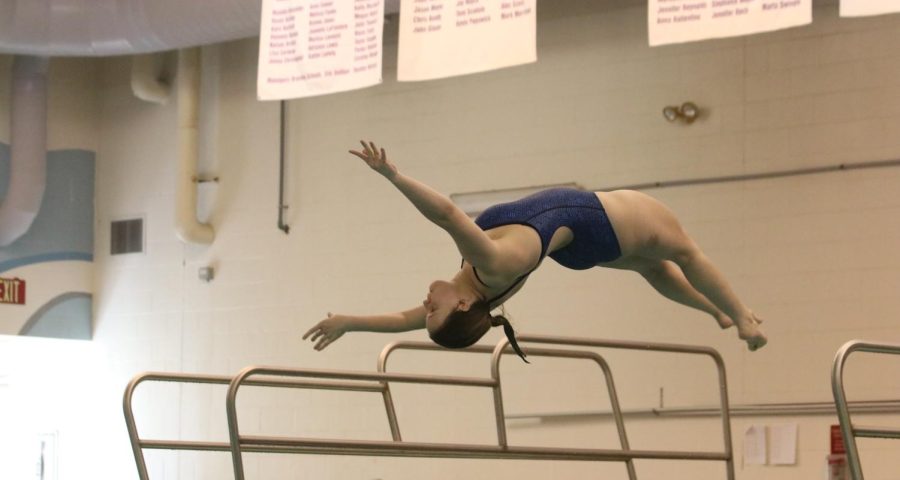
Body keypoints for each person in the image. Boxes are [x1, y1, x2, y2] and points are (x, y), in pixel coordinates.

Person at [304, 141, 767, 360]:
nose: (425, 304)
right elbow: (446, 213)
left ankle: (715, 313)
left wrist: (350, 322)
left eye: (427, 310)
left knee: (653, 270)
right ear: (462, 306)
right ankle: (743, 317)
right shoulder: (488, 264)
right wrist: (393, 176)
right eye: (434, 310)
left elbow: (402, 321)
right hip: (613, 218)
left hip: (587, 247)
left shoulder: (481, 289)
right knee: (684, 254)